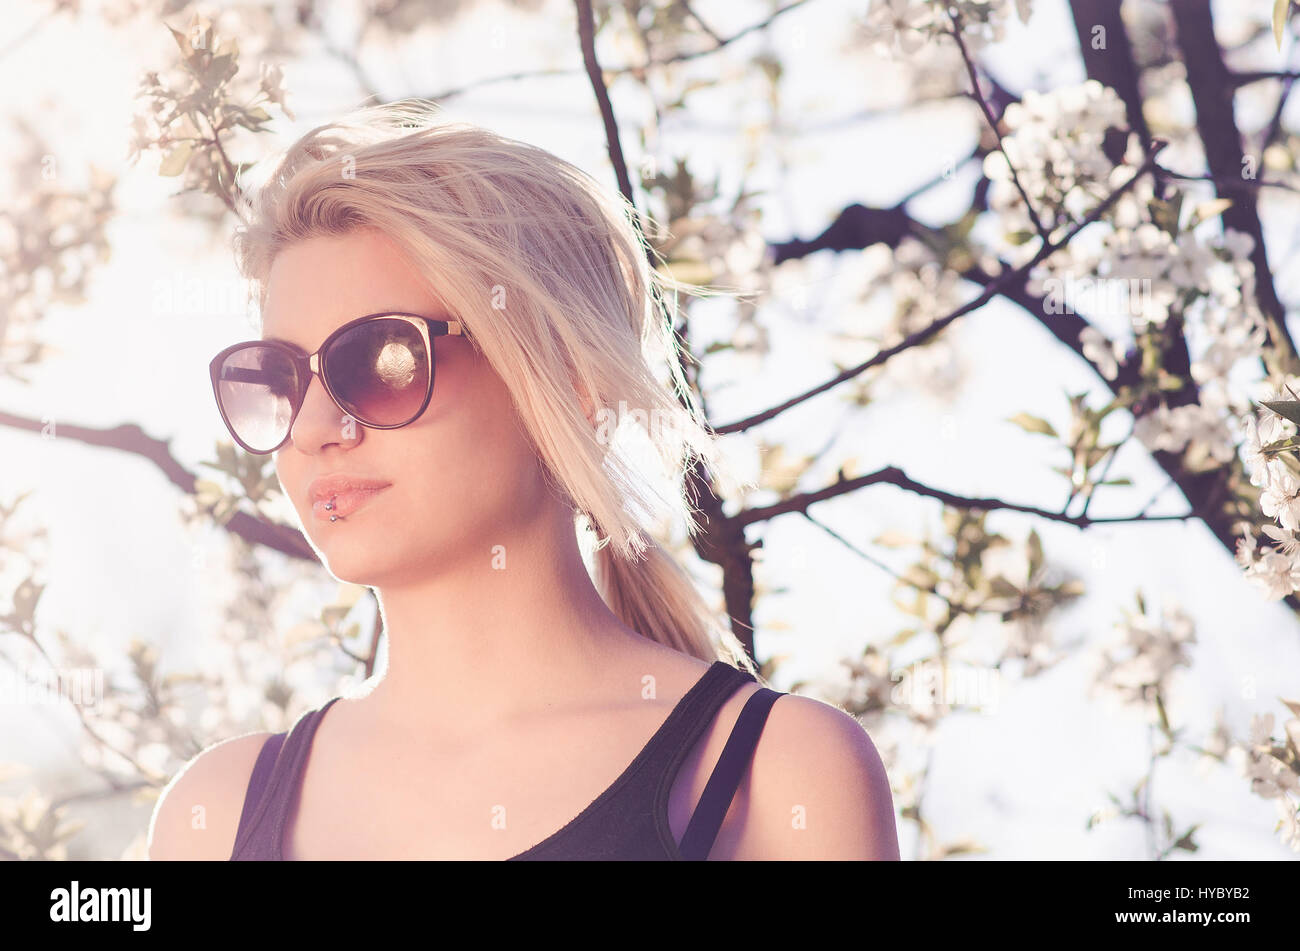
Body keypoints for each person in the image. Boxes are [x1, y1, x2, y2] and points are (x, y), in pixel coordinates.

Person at [148, 100, 899, 860]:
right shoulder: (213, 815)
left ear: (568, 378)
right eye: (278, 378)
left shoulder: (776, 776)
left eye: (379, 361)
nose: (312, 428)